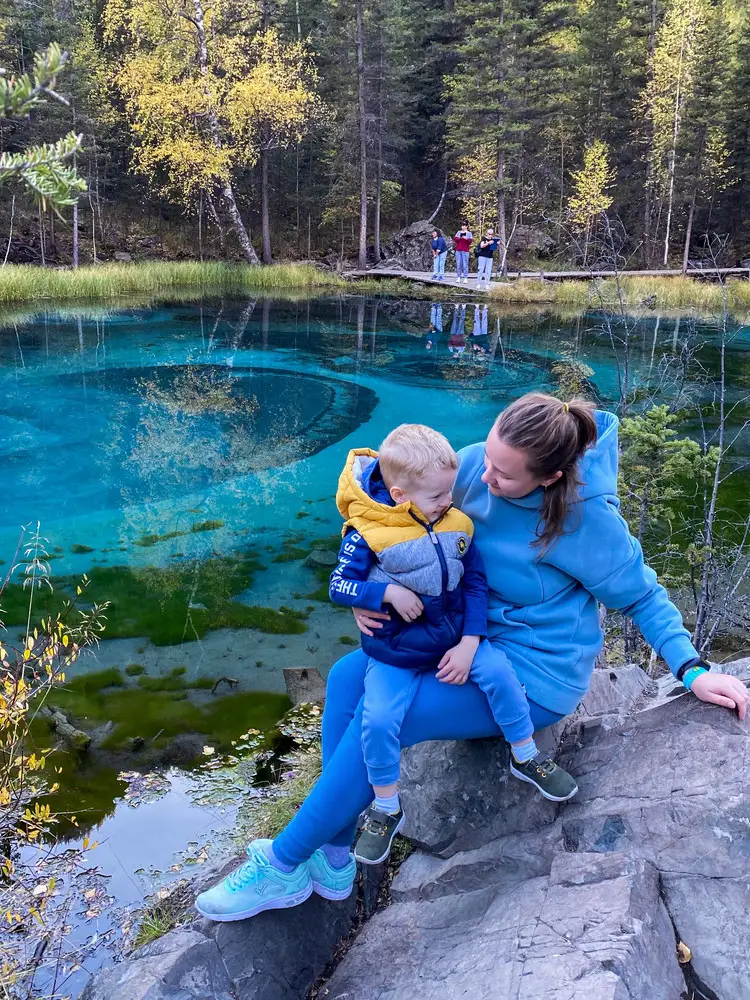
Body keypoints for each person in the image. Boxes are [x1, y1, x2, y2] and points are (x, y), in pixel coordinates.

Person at [195, 393, 749, 922]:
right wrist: (368, 593)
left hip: (531, 674)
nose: (483, 476)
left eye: (504, 474)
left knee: (388, 720)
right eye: (487, 455)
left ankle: (284, 864)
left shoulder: (586, 521)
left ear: (549, 477)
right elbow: (391, 517)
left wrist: (693, 669)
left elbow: (643, 596)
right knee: (344, 679)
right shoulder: (475, 465)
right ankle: (334, 855)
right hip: (454, 636)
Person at [326, 426, 576, 865]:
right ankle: (387, 807)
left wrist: (469, 642)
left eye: (449, 492)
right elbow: (339, 584)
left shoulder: (456, 524)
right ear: (401, 494)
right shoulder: (367, 534)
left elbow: (476, 583)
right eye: (438, 496)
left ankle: (526, 755)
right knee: (380, 718)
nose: (449, 502)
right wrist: (382, 595)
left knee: (501, 675)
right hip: (395, 653)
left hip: (455, 637)